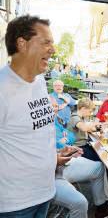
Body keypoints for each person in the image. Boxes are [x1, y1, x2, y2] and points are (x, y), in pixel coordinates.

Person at [0, 15, 56, 217]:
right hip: (14, 204)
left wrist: (54, 157)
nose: (53, 49)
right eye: (46, 42)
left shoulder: (40, 81)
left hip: (45, 193)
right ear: (22, 44)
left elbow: (36, 132)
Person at [50, 99, 108, 218]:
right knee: (104, 159)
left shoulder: (56, 120)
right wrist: (65, 143)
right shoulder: (74, 117)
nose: (55, 109)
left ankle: (104, 204)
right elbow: (80, 130)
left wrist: (65, 143)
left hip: (66, 155)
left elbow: (68, 136)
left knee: (100, 164)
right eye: (52, 107)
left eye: (56, 106)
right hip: (54, 168)